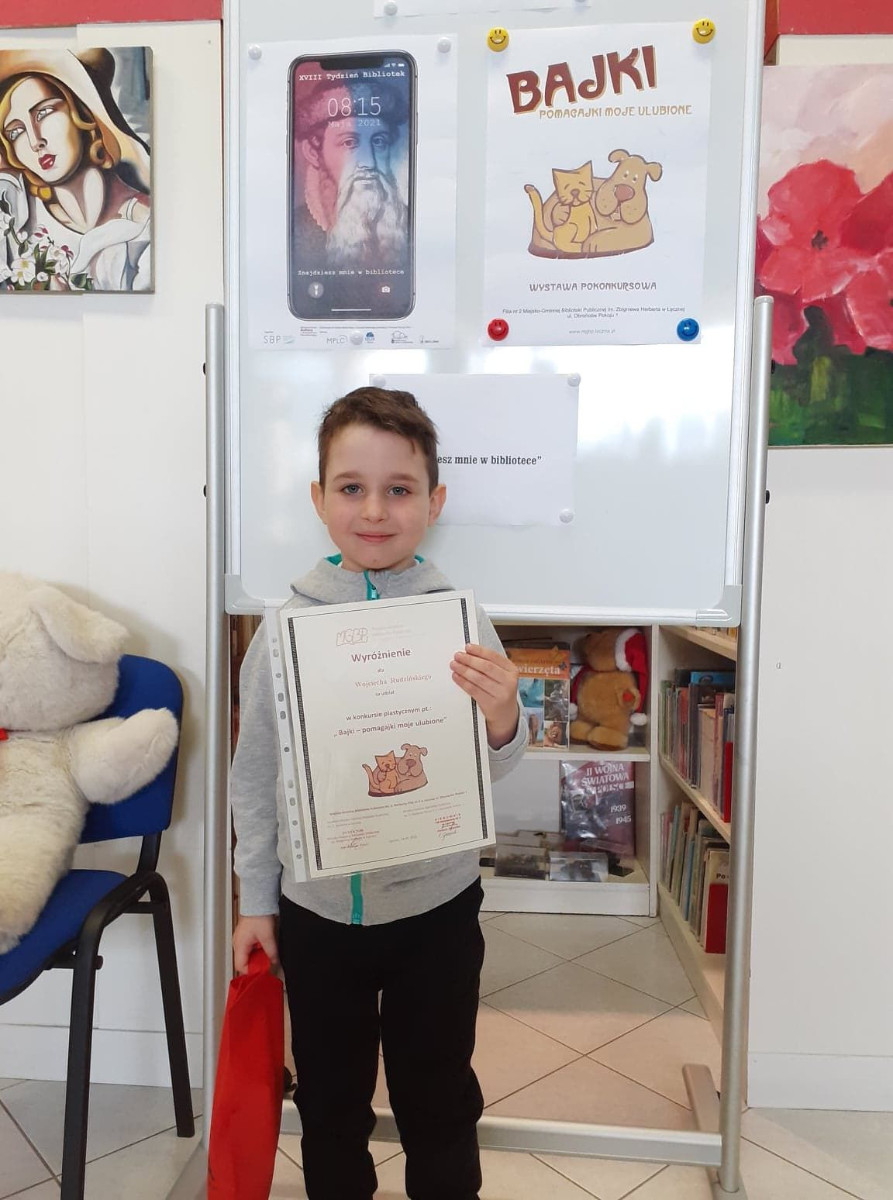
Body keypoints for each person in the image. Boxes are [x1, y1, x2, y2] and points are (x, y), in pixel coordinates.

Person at [230, 387, 526, 1200]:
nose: (373, 510)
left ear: (434, 501)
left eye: (398, 489)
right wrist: (257, 901)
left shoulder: (459, 623)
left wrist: (504, 719)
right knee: (329, 1101)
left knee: (438, 1095)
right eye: (351, 487)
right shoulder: (282, 629)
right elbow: (254, 775)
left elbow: (493, 769)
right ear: (318, 498)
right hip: (318, 915)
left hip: (436, 910)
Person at [0, 48, 151, 292]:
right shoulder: (15, 227)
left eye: (44, 113)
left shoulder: (144, 224)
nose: (35, 141)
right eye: (16, 132)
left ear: (82, 113)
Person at [292, 77, 408, 271]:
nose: (368, 163)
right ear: (313, 152)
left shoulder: (413, 222)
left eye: (379, 142)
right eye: (349, 143)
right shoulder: (295, 230)